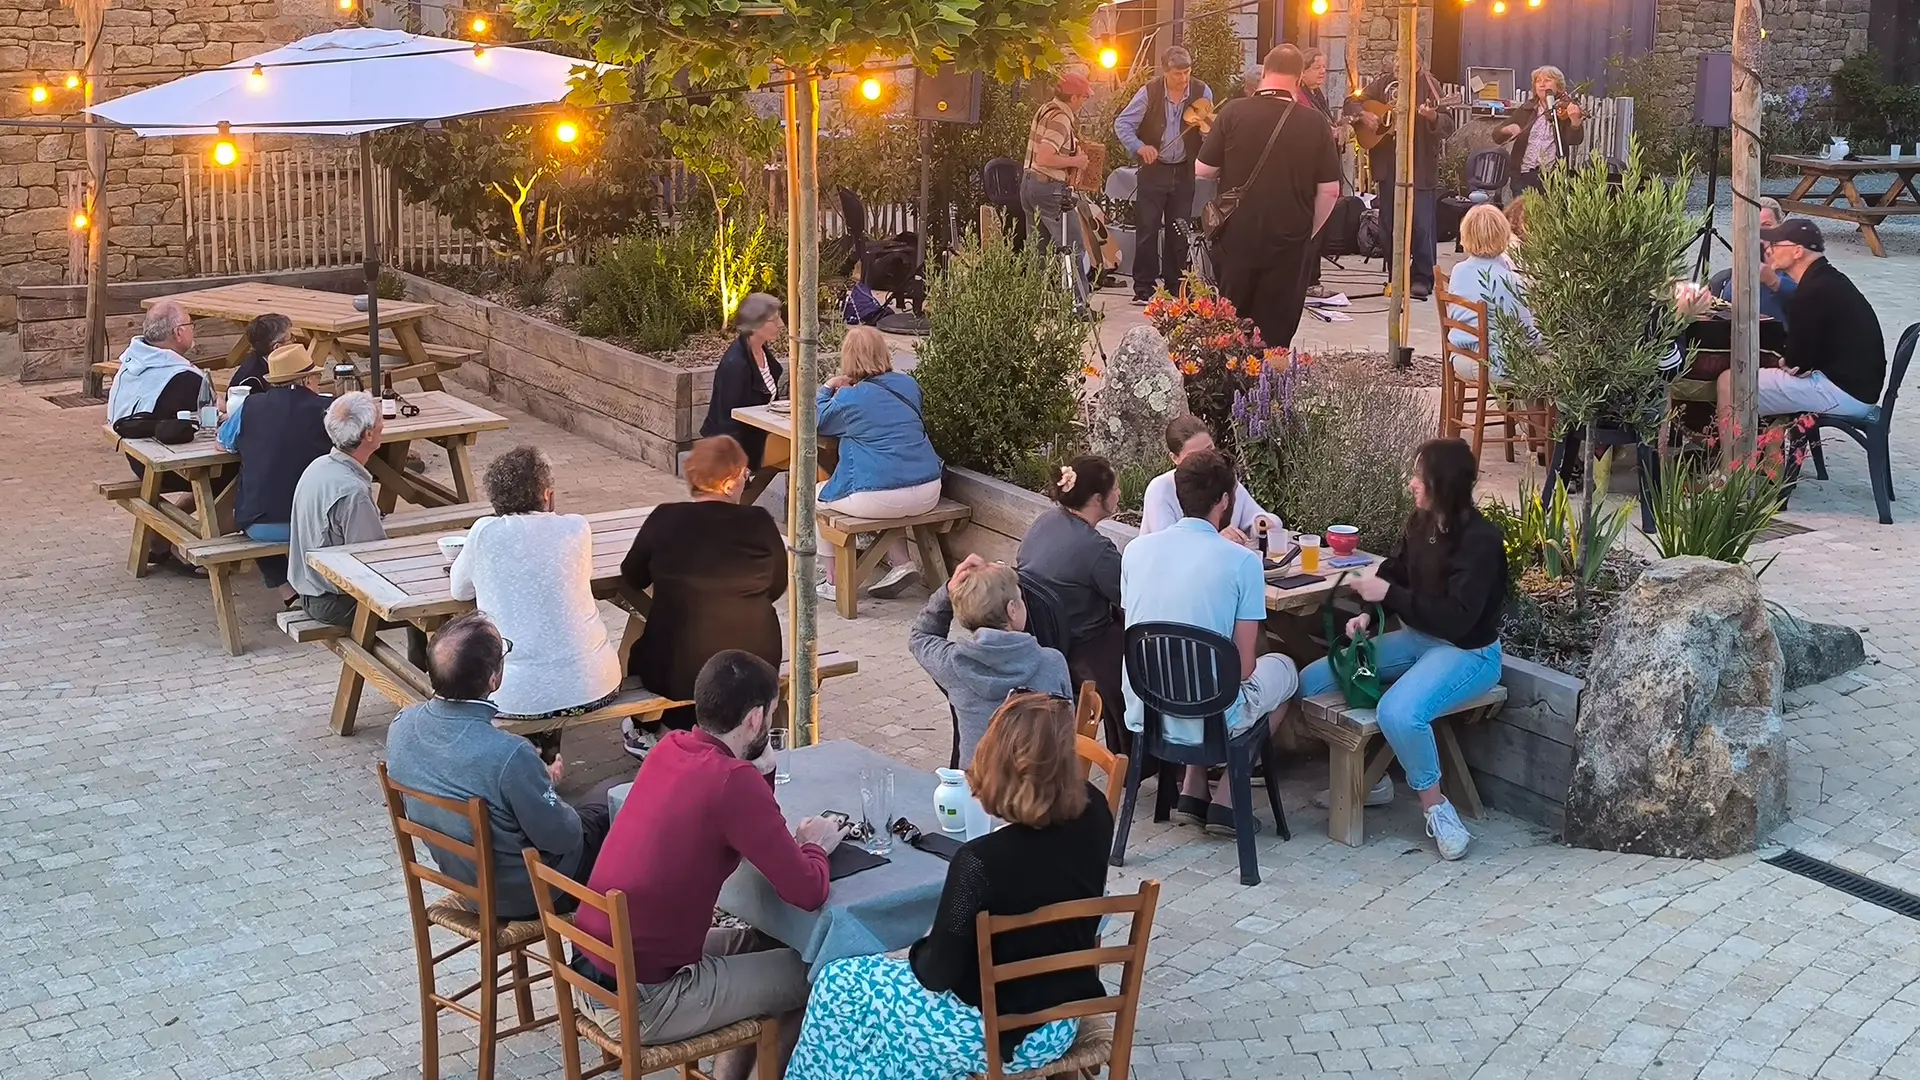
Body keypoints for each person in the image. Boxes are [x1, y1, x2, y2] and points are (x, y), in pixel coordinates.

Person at [785, 693, 1113, 1080]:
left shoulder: (981, 862)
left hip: (997, 1035)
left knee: (837, 983)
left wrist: (922, 942)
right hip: (1061, 1019)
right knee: (874, 1008)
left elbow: (936, 975)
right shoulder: (1095, 811)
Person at [575, 650, 846, 1080]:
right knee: (819, 970)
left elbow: (751, 823)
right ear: (756, 719)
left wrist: (764, 768)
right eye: (771, 713)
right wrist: (815, 846)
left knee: (771, 943)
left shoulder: (669, 748)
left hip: (600, 971)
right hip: (647, 999)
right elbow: (807, 891)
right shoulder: (731, 782)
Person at [1298, 439, 1506, 862]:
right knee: (1311, 681)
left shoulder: (1481, 542)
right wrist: (1367, 615)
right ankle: (1372, 778)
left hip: (1469, 652)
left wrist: (1389, 593)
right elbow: (1395, 575)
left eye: (1419, 476)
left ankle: (1438, 810)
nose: (1411, 483)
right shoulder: (1420, 523)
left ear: (1442, 484)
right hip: (1417, 640)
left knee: (1398, 711)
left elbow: (1456, 619)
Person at [385, 611, 611, 920]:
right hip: (532, 894)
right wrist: (544, 790)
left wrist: (534, 782)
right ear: (494, 679)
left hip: (466, 883)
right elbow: (562, 838)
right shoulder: (510, 753)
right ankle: (620, 936)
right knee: (614, 798)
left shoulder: (401, 725)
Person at [1120, 449, 1299, 837]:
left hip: (1148, 708)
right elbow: (1245, 669)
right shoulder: (1241, 563)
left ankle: (1193, 788)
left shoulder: (1135, 552)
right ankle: (1228, 799)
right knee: (1285, 669)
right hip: (1212, 718)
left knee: (1195, 667)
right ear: (1224, 501)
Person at [450, 445, 622, 763]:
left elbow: (459, 591)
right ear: (547, 495)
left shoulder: (484, 532)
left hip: (511, 697)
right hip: (595, 685)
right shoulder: (576, 528)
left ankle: (531, 753)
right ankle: (544, 749)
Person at [620, 435, 787, 758]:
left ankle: (652, 729)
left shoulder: (664, 517)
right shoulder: (760, 521)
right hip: (756, 661)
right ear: (729, 483)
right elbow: (777, 586)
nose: (746, 482)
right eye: (745, 475)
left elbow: (632, 576)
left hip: (679, 669)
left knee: (647, 648)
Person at [1197, 45, 1342, 349]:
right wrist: (1308, 231)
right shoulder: (1314, 122)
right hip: (1289, 239)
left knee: (1232, 324)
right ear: (1299, 79)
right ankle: (1271, 377)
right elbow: (1330, 190)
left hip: (1236, 235)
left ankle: (1233, 375)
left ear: (1264, 73)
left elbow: (1204, 170)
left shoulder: (1233, 111)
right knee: (1276, 332)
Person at [286, 391, 424, 665]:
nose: (383, 425)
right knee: (426, 605)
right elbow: (374, 562)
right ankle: (429, 680)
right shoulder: (352, 491)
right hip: (333, 602)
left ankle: (424, 675)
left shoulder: (319, 466)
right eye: (380, 422)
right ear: (368, 435)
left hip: (310, 590)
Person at [814, 326, 944, 601]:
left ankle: (834, 581)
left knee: (818, 495)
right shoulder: (908, 385)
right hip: (929, 489)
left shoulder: (850, 398)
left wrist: (827, 388)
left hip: (881, 495)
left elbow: (816, 421)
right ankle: (902, 563)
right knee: (884, 483)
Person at [912, 553, 1072, 767]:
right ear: (1012, 610)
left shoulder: (954, 663)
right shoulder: (1052, 662)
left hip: (978, 783)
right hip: (1037, 783)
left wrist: (948, 591)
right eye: (1020, 599)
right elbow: (1066, 727)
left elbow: (920, 636)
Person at [1017, 456, 1126, 752]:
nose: (1119, 493)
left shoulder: (1044, 522)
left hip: (1042, 637)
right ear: (1097, 499)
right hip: (1086, 649)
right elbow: (1132, 597)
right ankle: (1143, 756)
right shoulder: (1095, 549)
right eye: (1115, 488)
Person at [215, 343, 332, 607]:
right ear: (306, 380)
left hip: (261, 525)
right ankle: (325, 590)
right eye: (316, 376)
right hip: (317, 524)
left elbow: (224, 443)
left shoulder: (250, 406)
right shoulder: (327, 409)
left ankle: (287, 591)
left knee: (254, 507)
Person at [1757, 218, 1886, 419]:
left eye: (1775, 244)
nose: (1768, 250)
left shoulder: (1812, 291)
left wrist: (1790, 362)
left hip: (1844, 393)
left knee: (1733, 383)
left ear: (1797, 252)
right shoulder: (1826, 280)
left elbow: (1796, 364)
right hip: (1858, 389)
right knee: (1760, 381)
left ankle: (1733, 439)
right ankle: (1772, 440)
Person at [1115, 46, 1213, 305]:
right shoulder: (1149, 92)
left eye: (1187, 72)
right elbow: (1122, 124)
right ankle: (1143, 288)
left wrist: (1207, 133)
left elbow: (1209, 131)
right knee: (1147, 228)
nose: (1184, 79)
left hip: (1184, 170)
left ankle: (1175, 285)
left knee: (1179, 229)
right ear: (1165, 71)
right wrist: (1140, 147)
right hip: (1154, 170)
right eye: (1178, 74)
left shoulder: (1202, 92)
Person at [1346, 67, 1455, 300]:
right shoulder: (1384, 82)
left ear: (1417, 62)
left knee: (1421, 225)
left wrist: (1432, 116)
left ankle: (1423, 277)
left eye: (1402, 59)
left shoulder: (1429, 84)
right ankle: (1397, 276)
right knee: (1388, 224)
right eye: (1396, 58)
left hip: (1420, 166)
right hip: (1388, 166)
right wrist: (1364, 115)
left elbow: (1447, 124)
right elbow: (1352, 102)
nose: (1398, 63)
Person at [1140, 415, 1281, 539]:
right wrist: (1216, 541)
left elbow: (1262, 518)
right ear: (1175, 458)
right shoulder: (1160, 489)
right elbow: (1168, 546)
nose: (1208, 459)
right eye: (1195, 456)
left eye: (1210, 449)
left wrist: (1261, 523)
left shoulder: (1223, 478)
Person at [1443, 204, 1535, 381]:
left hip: (1460, 358)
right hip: (1494, 366)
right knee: (1555, 368)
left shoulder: (1458, 270)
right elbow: (1527, 333)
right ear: (1504, 235)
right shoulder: (1511, 280)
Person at [699, 292, 786, 471]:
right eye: (774, 320)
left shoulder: (761, 351)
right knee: (805, 449)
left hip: (760, 436)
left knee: (806, 457)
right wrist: (737, 463)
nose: (781, 324)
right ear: (755, 324)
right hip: (740, 448)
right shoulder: (736, 364)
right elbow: (728, 418)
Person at [107, 299, 212, 431]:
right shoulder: (186, 379)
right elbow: (212, 412)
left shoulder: (130, 360)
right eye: (191, 324)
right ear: (178, 333)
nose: (192, 328)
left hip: (121, 434)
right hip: (151, 441)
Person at [1022, 72, 1093, 254]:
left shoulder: (1045, 109)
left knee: (1038, 252)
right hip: (1048, 188)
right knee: (1074, 249)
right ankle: (1074, 275)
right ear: (1074, 97)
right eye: (1084, 97)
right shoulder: (1061, 118)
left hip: (1030, 184)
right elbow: (1044, 158)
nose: (1084, 102)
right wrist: (1076, 161)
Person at [1493, 66, 1585, 195]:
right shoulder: (1527, 109)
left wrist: (1575, 122)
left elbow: (1574, 140)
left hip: (1552, 177)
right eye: (1538, 81)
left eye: (1547, 80)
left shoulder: (1563, 110)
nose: (1542, 84)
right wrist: (1508, 129)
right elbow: (1496, 136)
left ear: (1558, 87)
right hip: (1523, 175)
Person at [1709, 198, 1796, 327]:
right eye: (1754, 225)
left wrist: (1773, 282)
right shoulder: (1726, 278)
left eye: (1767, 225)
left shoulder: (1795, 268)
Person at [1298, 48, 1342, 301]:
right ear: (1302, 71)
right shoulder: (1299, 96)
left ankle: (1312, 279)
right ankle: (1308, 281)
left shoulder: (1317, 95)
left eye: (1324, 66)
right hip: (1309, 172)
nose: (1323, 71)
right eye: (1316, 67)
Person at [229, 313, 294, 394]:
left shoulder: (269, 360)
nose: (294, 340)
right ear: (277, 347)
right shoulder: (252, 380)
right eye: (291, 337)